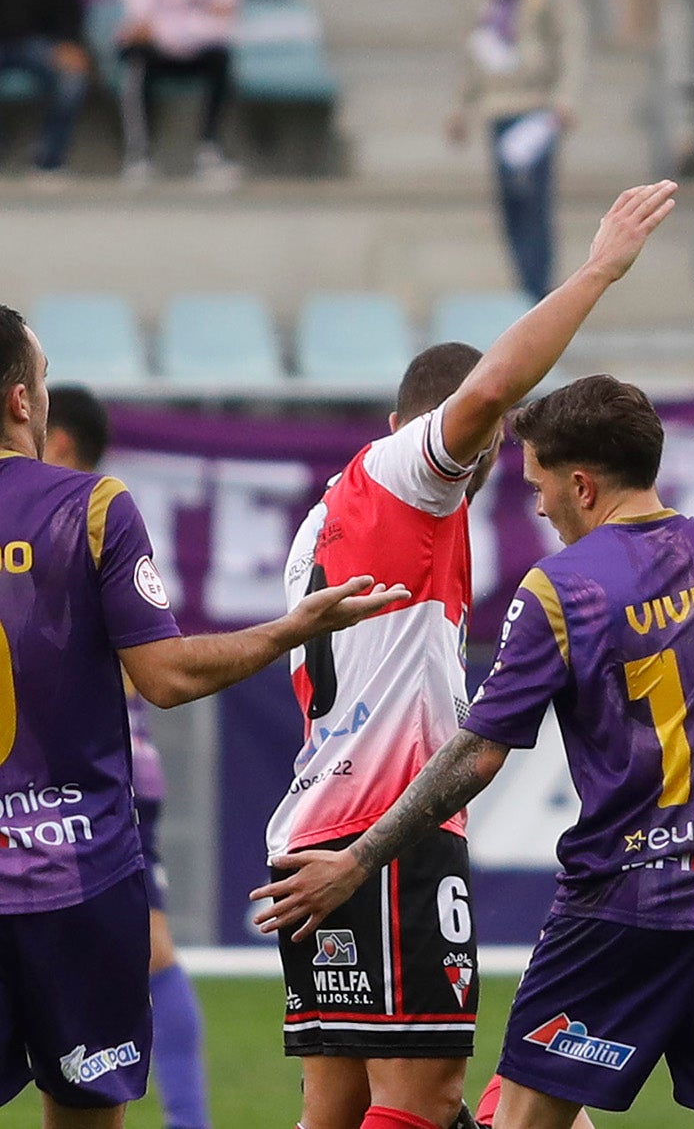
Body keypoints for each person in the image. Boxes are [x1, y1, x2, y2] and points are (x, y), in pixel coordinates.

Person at [252, 372, 694, 1129]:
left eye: (538, 485)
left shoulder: (564, 589)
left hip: (622, 908)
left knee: (526, 1112)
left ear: (582, 484)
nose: (536, 504)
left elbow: (477, 755)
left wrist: (360, 860)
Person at [257, 182, 675, 1129]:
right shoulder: (406, 474)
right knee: (427, 1100)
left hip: (318, 821)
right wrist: (600, 267)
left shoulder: (329, 514)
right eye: (480, 447)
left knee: (340, 1101)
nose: (489, 469)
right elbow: (490, 387)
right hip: (380, 831)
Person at [0, 306, 406, 1129]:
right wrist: (293, 626)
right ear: (20, 400)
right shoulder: (91, 507)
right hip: (76, 875)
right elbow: (167, 677)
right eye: (42, 382)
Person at [43, 384, 212, 1129]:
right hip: (107, 770)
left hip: (81, 775)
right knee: (149, 948)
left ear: (60, 442)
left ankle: (189, 1120)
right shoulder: (97, 514)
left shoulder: (74, 515)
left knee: (148, 949)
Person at [450, 0, 589, 300]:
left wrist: (566, 100)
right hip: (498, 104)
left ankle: (537, 286)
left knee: (532, 198)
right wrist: (463, 106)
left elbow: (571, 46)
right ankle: (523, 286)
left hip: (535, 105)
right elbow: (475, 49)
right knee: (510, 203)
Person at [117, 0, 244, 189]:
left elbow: (225, 9)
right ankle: (139, 155)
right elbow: (140, 14)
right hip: (157, 48)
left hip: (201, 46)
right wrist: (189, 21)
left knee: (224, 63)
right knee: (137, 61)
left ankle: (210, 151)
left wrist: (176, 24)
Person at [0, 0, 89, 186]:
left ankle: (49, 161)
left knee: (72, 78)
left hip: (40, 43)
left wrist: (68, 42)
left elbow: (68, 3)